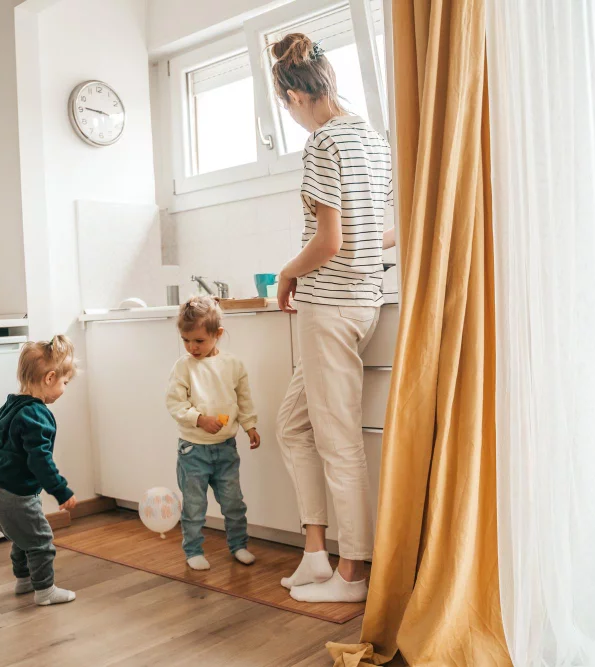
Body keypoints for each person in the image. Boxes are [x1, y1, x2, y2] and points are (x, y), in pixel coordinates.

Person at [271, 33, 395, 604]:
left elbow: (328, 241)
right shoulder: (374, 139)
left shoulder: (323, 143)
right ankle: (317, 554)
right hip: (364, 300)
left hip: (329, 305)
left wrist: (287, 272)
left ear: (296, 95)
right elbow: (383, 231)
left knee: (340, 442)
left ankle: (353, 574)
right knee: (293, 425)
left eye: (285, 107)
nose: (291, 117)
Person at [0, 335, 79, 606]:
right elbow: (40, 461)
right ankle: (45, 591)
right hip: (15, 495)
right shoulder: (37, 415)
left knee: (22, 537)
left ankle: (24, 580)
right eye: (64, 383)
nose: (64, 388)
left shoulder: (13, 404)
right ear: (49, 378)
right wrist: (61, 491)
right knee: (41, 541)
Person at [166, 296, 261, 571]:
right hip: (193, 450)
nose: (192, 347)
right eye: (186, 340)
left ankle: (239, 545)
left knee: (233, 502)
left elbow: (243, 398)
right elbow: (175, 403)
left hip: (226, 448)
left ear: (217, 335)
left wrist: (250, 425)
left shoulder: (233, 365)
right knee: (194, 506)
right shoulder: (183, 367)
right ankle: (193, 550)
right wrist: (199, 419)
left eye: (199, 341)